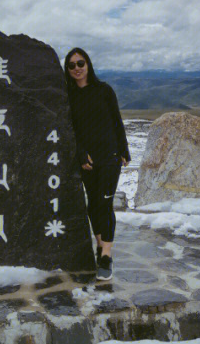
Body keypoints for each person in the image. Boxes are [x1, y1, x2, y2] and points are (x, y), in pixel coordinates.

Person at [64, 47, 129, 281]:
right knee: (93, 204)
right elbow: (70, 130)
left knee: (105, 202)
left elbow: (116, 120)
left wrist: (124, 149)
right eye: (71, 65)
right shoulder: (69, 96)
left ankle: (106, 256)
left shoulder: (104, 90)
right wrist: (81, 154)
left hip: (110, 156)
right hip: (88, 161)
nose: (77, 68)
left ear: (88, 64)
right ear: (67, 69)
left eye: (80, 63)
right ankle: (100, 246)